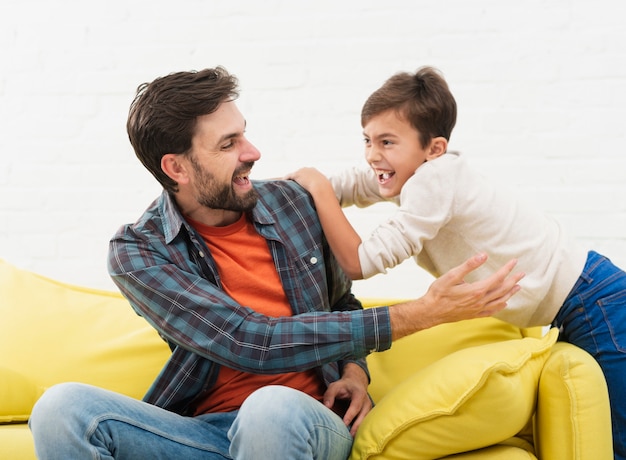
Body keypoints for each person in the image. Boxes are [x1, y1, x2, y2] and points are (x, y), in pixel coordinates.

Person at [28, 66, 523, 460]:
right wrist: (417, 315)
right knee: (61, 409)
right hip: (202, 433)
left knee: (270, 408)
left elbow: (340, 300)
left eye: (243, 134)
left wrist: (354, 372)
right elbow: (248, 340)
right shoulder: (139, 253)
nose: (253, 152)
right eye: (228, 145)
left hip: (301, 421)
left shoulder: (292, 203)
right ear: (176, 167)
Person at [286, 65, 626, 459]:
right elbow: (353, 183)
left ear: (434, 148)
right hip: (586, 300)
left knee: (617, 436)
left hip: (596, 302)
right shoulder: (419, 174)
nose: (372, 154)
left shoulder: (434, 182)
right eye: (367, 140)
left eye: (387, 142)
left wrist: (316, 188)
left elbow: (359, 263)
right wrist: (289, 189)